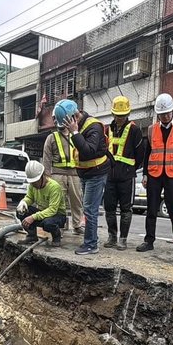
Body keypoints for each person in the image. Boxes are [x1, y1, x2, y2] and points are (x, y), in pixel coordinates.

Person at [136, 93, 173, 255]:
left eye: (167, 113)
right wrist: (145, 173)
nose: (165, 117)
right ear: (158, 114)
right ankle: (149, 240)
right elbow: (147, 154)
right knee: (151, 209)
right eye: (162, 114)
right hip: (154, 174)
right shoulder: (152, 130)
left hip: (172, 174)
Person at [56, 99, 110, 255]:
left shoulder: (94, 126)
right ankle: (92, 238)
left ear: (73, 117)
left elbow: (88, 151)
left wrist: (74, 132)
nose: (65, 127)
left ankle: (91, 244)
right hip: (86, 173)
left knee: (89, 209)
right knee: (88, 209)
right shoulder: (80, 125)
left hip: (96, 173)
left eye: (67, 123)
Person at [103, 96, 144, 251]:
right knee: (109, 208)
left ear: (128, 113)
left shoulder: (134, 130)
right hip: (110, 176)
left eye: (123, 115)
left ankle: (123, 239)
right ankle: (112, 236)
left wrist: (130, 168)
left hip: (127, 176)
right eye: (117, 115)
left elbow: (140, 154)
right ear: (113, 114)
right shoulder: (107, 130)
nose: (120, 118)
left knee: (126, 209)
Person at [42, 111, 84, 235]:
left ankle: (77, 225)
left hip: (75, 174)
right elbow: (47, 158)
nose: (55, 121)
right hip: (57, 174)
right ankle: (60, 224)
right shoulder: (51, 137)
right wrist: (47, 176)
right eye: (54, 119)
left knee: (76, 201)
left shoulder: (76, 135)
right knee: (58, 201)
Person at [16, 160, 67, 247]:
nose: (34, 184)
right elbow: (30, 198)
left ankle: (56, 236)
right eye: (32, 182)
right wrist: (24, 202)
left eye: (36, 181)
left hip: (57, 215)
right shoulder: (32, 185)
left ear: (42, 176)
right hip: (43, 212)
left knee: (48, 223)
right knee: (21, 212)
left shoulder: (54, 187)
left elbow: (52, 210)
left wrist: (33, 217)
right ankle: (32, 235)